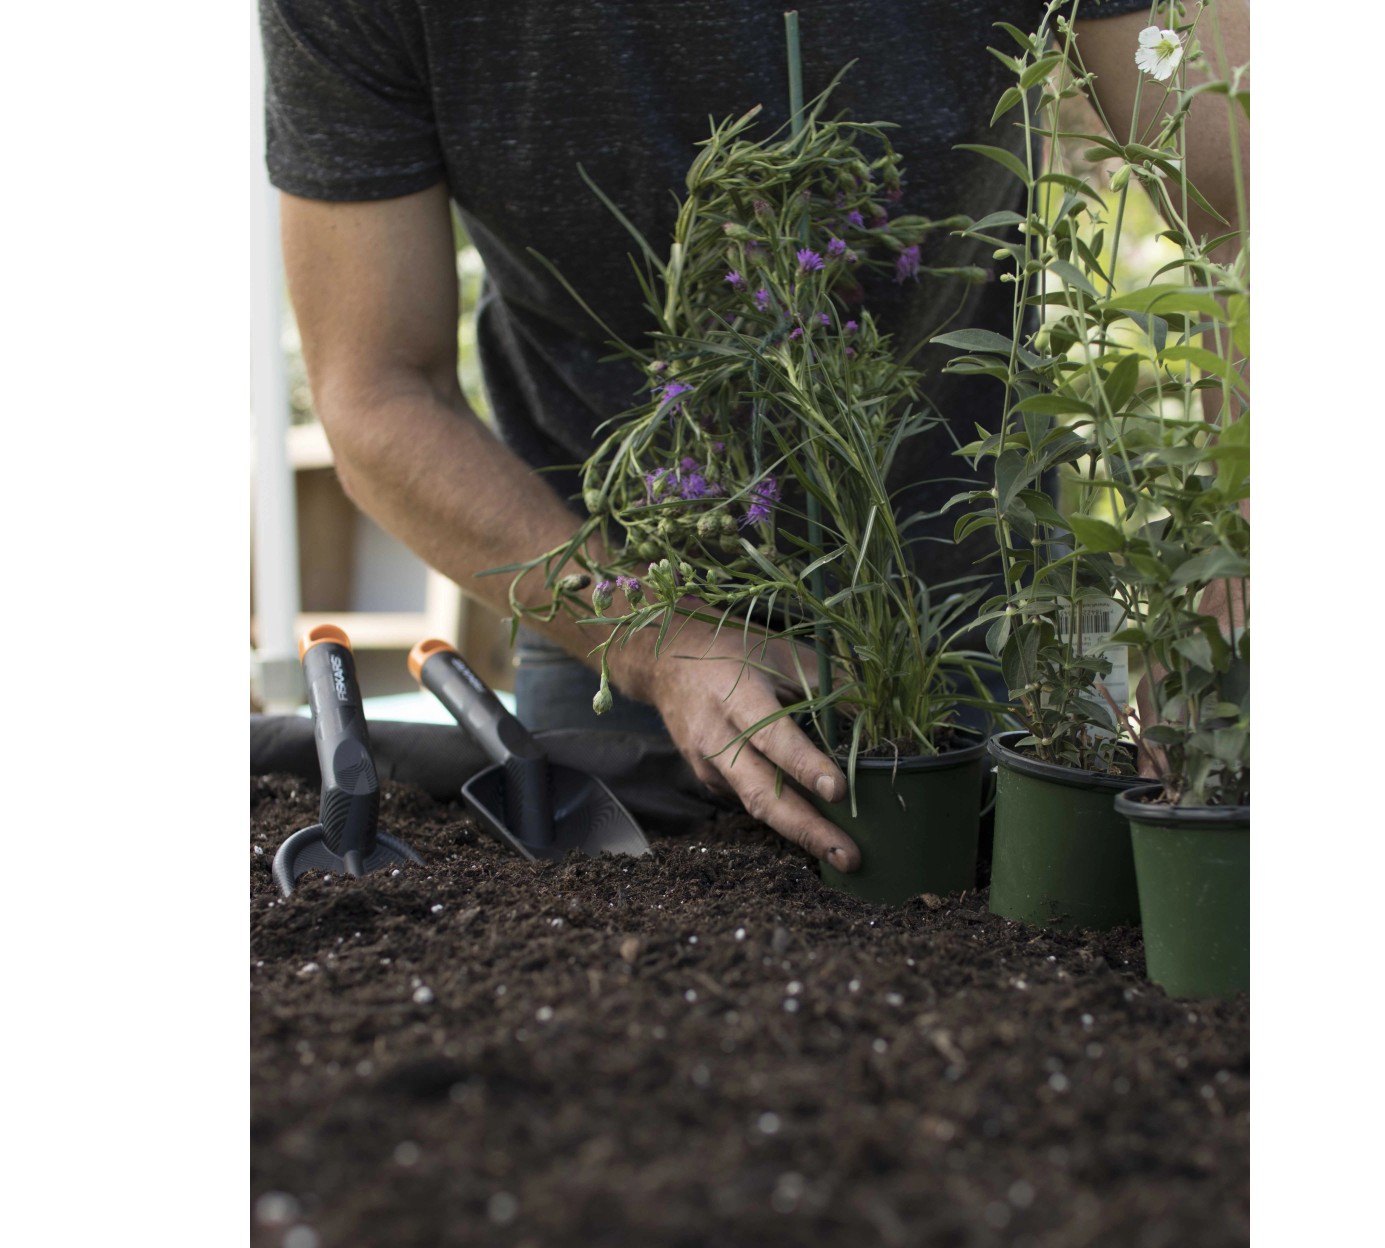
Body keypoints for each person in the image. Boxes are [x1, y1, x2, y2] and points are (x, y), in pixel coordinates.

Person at [260, 0, 1247, 871]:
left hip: (997, 617)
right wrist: (646, 634)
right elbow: (377, 389)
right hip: (609, 594)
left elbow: (1239, 200)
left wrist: (1227, 570)